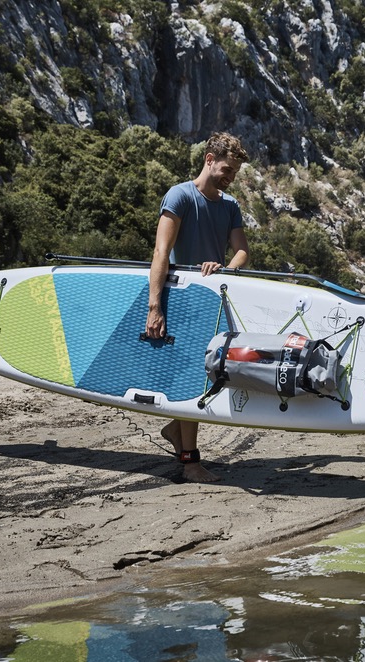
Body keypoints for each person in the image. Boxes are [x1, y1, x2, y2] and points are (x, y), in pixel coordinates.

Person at [144, 132, 250, 483]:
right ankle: (190, 462)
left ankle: (177, 430)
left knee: (211, 375)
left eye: (234, 172)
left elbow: (241, 251)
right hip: (181, 300)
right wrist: (154, 306)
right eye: (226, 169)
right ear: (208, 159)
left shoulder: (230, 205)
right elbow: (161, 252)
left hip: (214, 301)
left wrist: (227, 269)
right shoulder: (180, 195)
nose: (230, 176)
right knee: (194, 377)